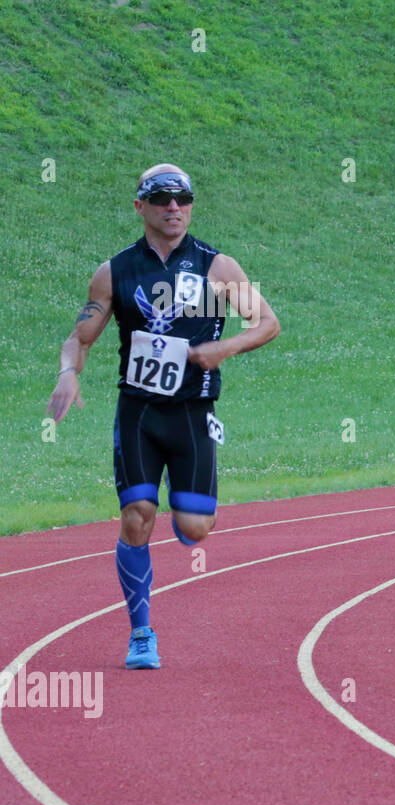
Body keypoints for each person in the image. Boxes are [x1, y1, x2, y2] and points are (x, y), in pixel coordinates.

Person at [44, 164, 280, 668]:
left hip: (193, 414)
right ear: (141, 207)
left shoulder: (218, 267)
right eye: (162, 199)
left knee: (195, 527)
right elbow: (79, 336)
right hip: (140, 412)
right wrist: (69, 371)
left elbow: (267, 322)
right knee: (137, 516)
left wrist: (224, 348)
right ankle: (141, 633)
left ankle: (183, 510)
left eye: (183, 198)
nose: (174, 207)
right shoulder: (115, 271)